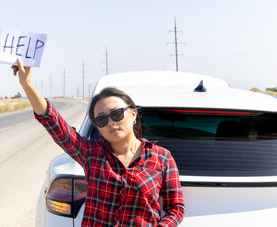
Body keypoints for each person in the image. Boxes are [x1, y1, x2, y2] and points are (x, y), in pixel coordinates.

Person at [12, 59, 185, 226]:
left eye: (116, 114)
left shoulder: (161, 157)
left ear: (133, 114)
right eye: (102, 120)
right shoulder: (91, 153)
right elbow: (53, 122)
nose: (111, 122)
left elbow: (175, 208)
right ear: (98, 127)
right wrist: (27, 84)